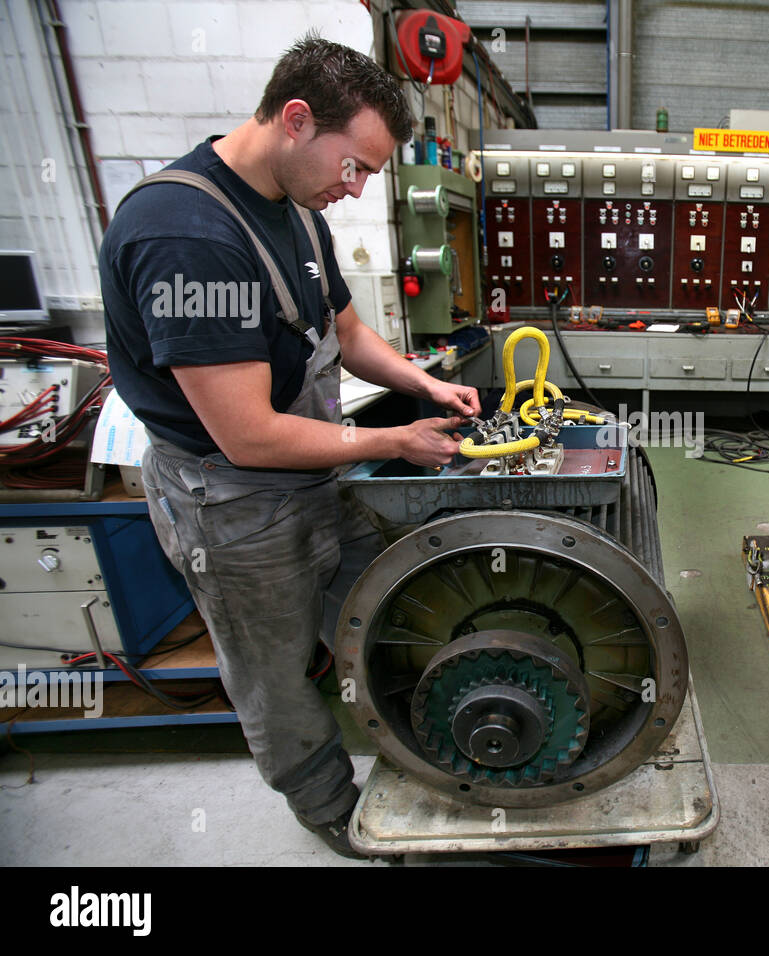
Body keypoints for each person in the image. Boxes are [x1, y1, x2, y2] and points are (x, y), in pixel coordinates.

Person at [100, 33, 480, 859]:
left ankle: (423, 737)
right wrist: (390, 438)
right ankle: (329, 809)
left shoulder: (296, 210)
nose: (359, 188)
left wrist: (421, 383)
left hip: (314, 468)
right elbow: (247, 433)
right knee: (273, 671)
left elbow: (344, 330)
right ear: (298, 120)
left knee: (382, 597)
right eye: (357, 168)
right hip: (231, 501)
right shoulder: (186, 235)